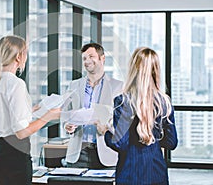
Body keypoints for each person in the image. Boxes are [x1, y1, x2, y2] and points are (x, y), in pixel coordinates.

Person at [0, 35, 61, 185]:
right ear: (19, 57)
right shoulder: (16, 84)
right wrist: (49, 116)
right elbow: (21, 132)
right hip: (14, 153)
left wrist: (29, 111)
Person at [104, 47, 178, 185]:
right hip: (157, 173)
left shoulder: (123, 101)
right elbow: (171, 142)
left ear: (133, 69)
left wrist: (107, 133)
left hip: (129, 174)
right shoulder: (164, 102)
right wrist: (152, 140)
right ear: (156, 70)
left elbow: (120, 143)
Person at [62, 42, 123, 169]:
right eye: (84, 58)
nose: (87, 61)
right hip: (78, 153)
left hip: (106, 153)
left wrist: (107, 127)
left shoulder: (118, 87)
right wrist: (67, 125)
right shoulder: (73, 85)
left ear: (102, 58)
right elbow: (65, 114)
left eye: (91, 56)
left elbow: (122, 122)